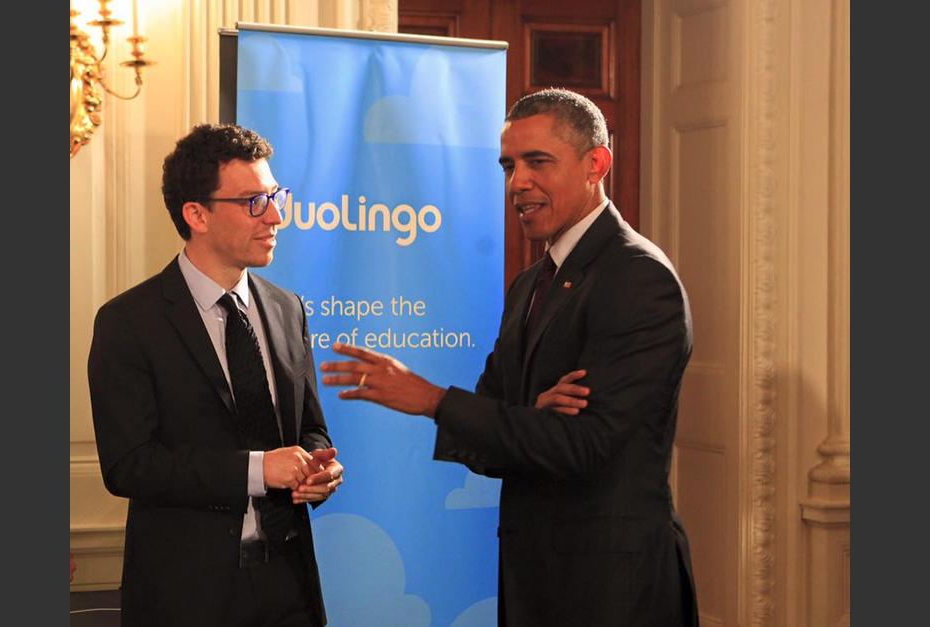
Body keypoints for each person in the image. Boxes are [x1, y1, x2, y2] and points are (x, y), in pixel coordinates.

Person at [321, 89, 698, 626]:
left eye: (537, 162)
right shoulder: (528, 285)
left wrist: (432, 400)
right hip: (535, 581)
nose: (517, 182)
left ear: (597, 164)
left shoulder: (638, 277)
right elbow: (490, 443)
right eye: (508, 165)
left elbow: (587, 446)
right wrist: (528, 418)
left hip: (613, 589)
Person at [88, 123, 343, 627]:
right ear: (196, 214)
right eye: (253, 202)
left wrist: (317, 466)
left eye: (275, 196)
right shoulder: (128, 322)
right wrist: (258, 470)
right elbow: (130, 466)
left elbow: (309, 425)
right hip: (188, 594)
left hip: (289, 584)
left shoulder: (286, 308)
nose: (274, 216)